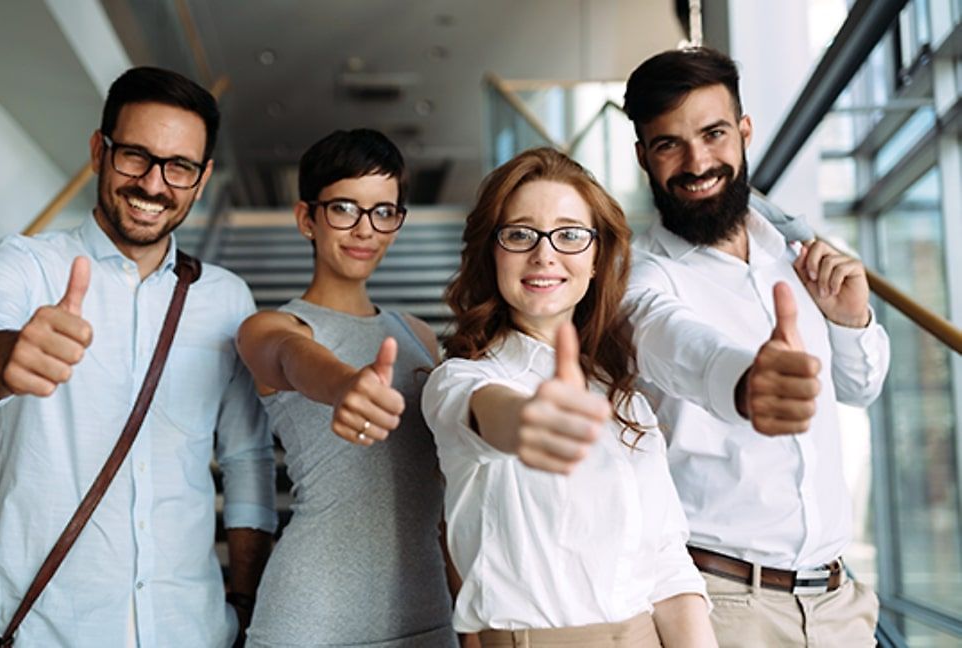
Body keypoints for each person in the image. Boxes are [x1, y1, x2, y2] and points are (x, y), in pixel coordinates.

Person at [0, 66, 276, 647]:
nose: (153, 184)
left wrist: (244, 601)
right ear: (99, 150)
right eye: (135, 157)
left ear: (202, 179)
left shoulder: (225, 297)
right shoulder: (24, 265)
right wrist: (9, 356)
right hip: (46, 631)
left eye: (179, 167)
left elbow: (246, 457)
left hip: (190, 630)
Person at [617, 48, 892, 646]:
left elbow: (861, 386)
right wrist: (744, 381)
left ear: (744, 132)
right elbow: (673, 340)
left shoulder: (798, 254)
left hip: (839, 603)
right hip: (724, 608)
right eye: (669, 144)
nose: (698, 162)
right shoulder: (639, 279)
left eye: (714, 133)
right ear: (643, 156)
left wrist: (851, 320)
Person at [422, 147, 716, 648]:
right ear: (490, 252)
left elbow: (667, 565)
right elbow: (492, 416)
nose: (545, 254)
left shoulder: (627, 401)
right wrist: (530, 420)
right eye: (519, 234)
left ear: (597, 257)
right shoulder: (460, 382)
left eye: (570, 234)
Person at [235, 128, 456, 647]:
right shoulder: (272, 327)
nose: (365, 230)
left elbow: (443, 500)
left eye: (383, 211)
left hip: (428, 613)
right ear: (306, 218)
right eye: (344, 209)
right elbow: (293, 360)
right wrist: (344, 385)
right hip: (313, 619)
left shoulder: (418, 335)